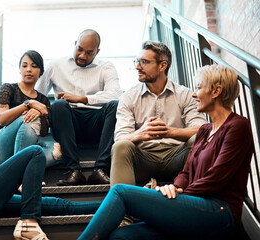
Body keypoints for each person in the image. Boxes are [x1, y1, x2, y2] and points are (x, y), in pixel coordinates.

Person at [78, 64, 254, 239]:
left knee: (120, 192)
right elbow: (186, 172)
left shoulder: (237, 126)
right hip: (191, 207)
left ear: (216, 91)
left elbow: (217, 177)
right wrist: (175, 186)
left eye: (199, 88)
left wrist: (180, 196)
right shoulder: (204, 130)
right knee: (121, 235)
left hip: (219, 210)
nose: (194, 94)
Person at [0, 74, 101, 240]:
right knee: (35, 152)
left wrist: (11, 184)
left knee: (59, 205)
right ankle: (28, 222)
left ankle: (120, 208)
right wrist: (11, 181)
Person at [110, 41, 207, 187]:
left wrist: (169, 132)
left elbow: (202, 130)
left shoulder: (185, 94)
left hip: (177, 157)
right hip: (143, 159)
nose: (137, 66)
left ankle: (201, 202)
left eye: (143, 62)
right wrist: (140, 133)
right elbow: (120, 137)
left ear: (162, 65)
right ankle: (124, 204)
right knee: (121, 146)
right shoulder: (128, 97)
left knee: (198, 141)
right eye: (137, 61)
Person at [37, 29, 122, 186]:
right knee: (58, 105)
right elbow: (38, 95)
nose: (83, 56)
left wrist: (82, 99)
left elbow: (116, 94)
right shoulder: (56, 65)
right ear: (75, 44)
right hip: (68, 125)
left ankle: (100, 170)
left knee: (115, 106)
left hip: (96, 124)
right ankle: (73, 171)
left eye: (89, 53)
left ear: (97, 51)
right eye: (80, 49)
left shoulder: (106, 67)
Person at [0, 50, 62, 167]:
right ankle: (22, 172)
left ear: (41, 72)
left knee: (57, 149)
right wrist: (28, 104)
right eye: (24, 66)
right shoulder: (8, 88)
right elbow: (1, 119)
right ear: (20, 69)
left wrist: (41, 114)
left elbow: (43, 133)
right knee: (29, 118)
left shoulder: (43, 100)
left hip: (23, 145)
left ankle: (16, 168)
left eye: (34, 66)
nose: (28, 69)